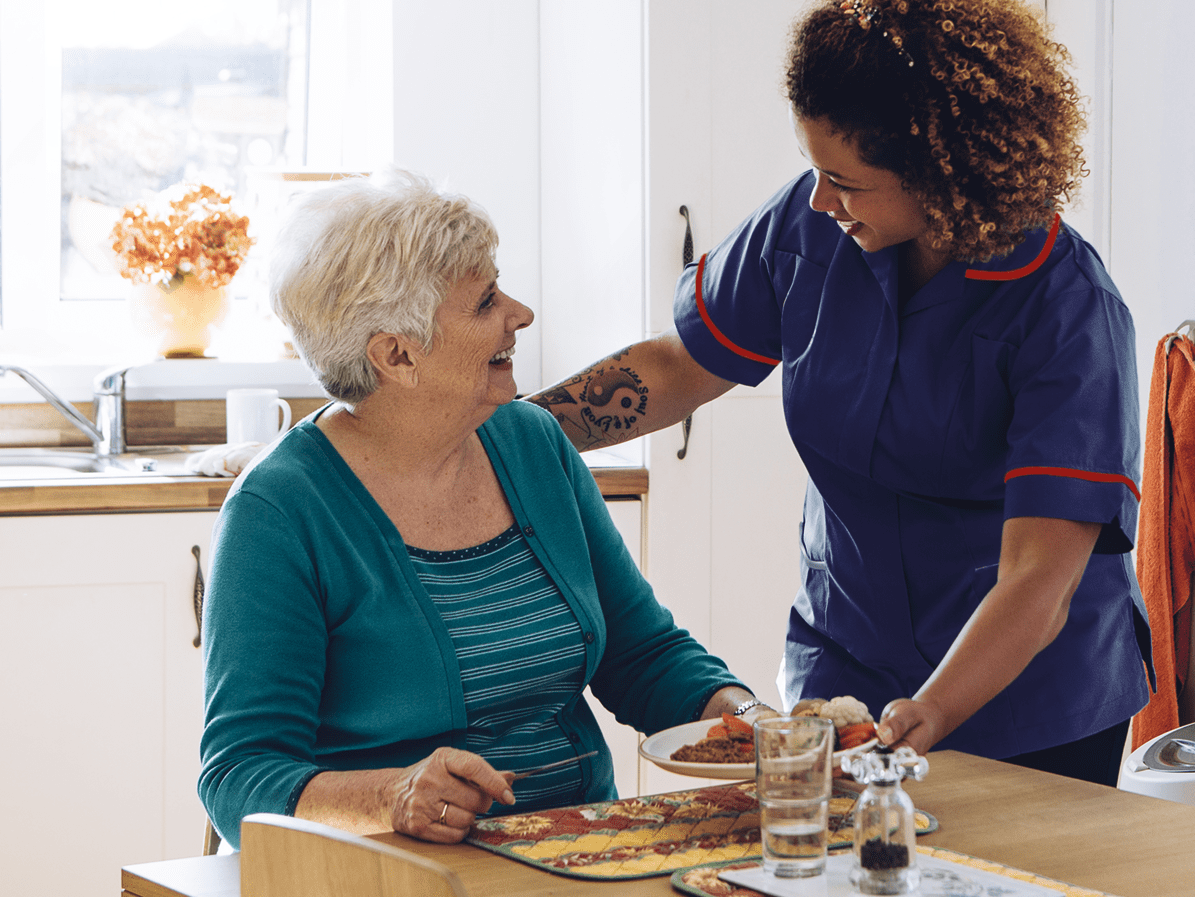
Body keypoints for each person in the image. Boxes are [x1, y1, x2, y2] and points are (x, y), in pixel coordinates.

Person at [528, 0, 1149, 785]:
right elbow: (676, 367)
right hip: (845, 668)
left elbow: (1040, 578)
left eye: (848, 181)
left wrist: (932, 710)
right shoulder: (808, 226)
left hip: (1029, 705)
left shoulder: (1066, 308)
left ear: (941, 170)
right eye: (812, 169)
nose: (820, 198)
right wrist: (510, 430)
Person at [198, 169, 769, 847]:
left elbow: (641, 654)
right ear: (398, 355)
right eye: (486, 301)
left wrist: (756, 721)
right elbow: (239, 774)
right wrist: (394, 796)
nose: (520, 314)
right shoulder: (281, 511)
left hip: (578, 852)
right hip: (397, 876)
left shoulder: (531, 444)